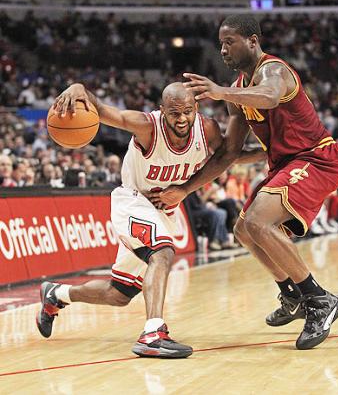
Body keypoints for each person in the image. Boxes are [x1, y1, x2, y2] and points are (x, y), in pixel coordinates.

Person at [148, 15, 338, 350]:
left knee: (259, 221)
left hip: (317, 159)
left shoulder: (275, 71)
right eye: (220, 43)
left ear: (252, 41)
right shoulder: (237, 91)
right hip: (285, 163)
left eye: (230, 42)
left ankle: (319, 299)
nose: (223, 49)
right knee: (244, 230)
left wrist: (218, 89)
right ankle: (292, 293)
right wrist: (184, 188)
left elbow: (269, 96)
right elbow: (229, 154)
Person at [36, 81, 263, 359]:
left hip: (163, 210)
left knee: (118, 293)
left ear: (197, 108)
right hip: (132, 201)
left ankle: (57, 295)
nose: (182, 119)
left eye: (188, 112)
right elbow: (107, 112)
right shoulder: (147, 126)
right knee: (163, 252)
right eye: (174, 113)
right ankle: (153, 333)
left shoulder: (208, 130)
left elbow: (230, 157)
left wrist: (271, 152)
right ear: (161, 111)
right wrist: (79, 88)